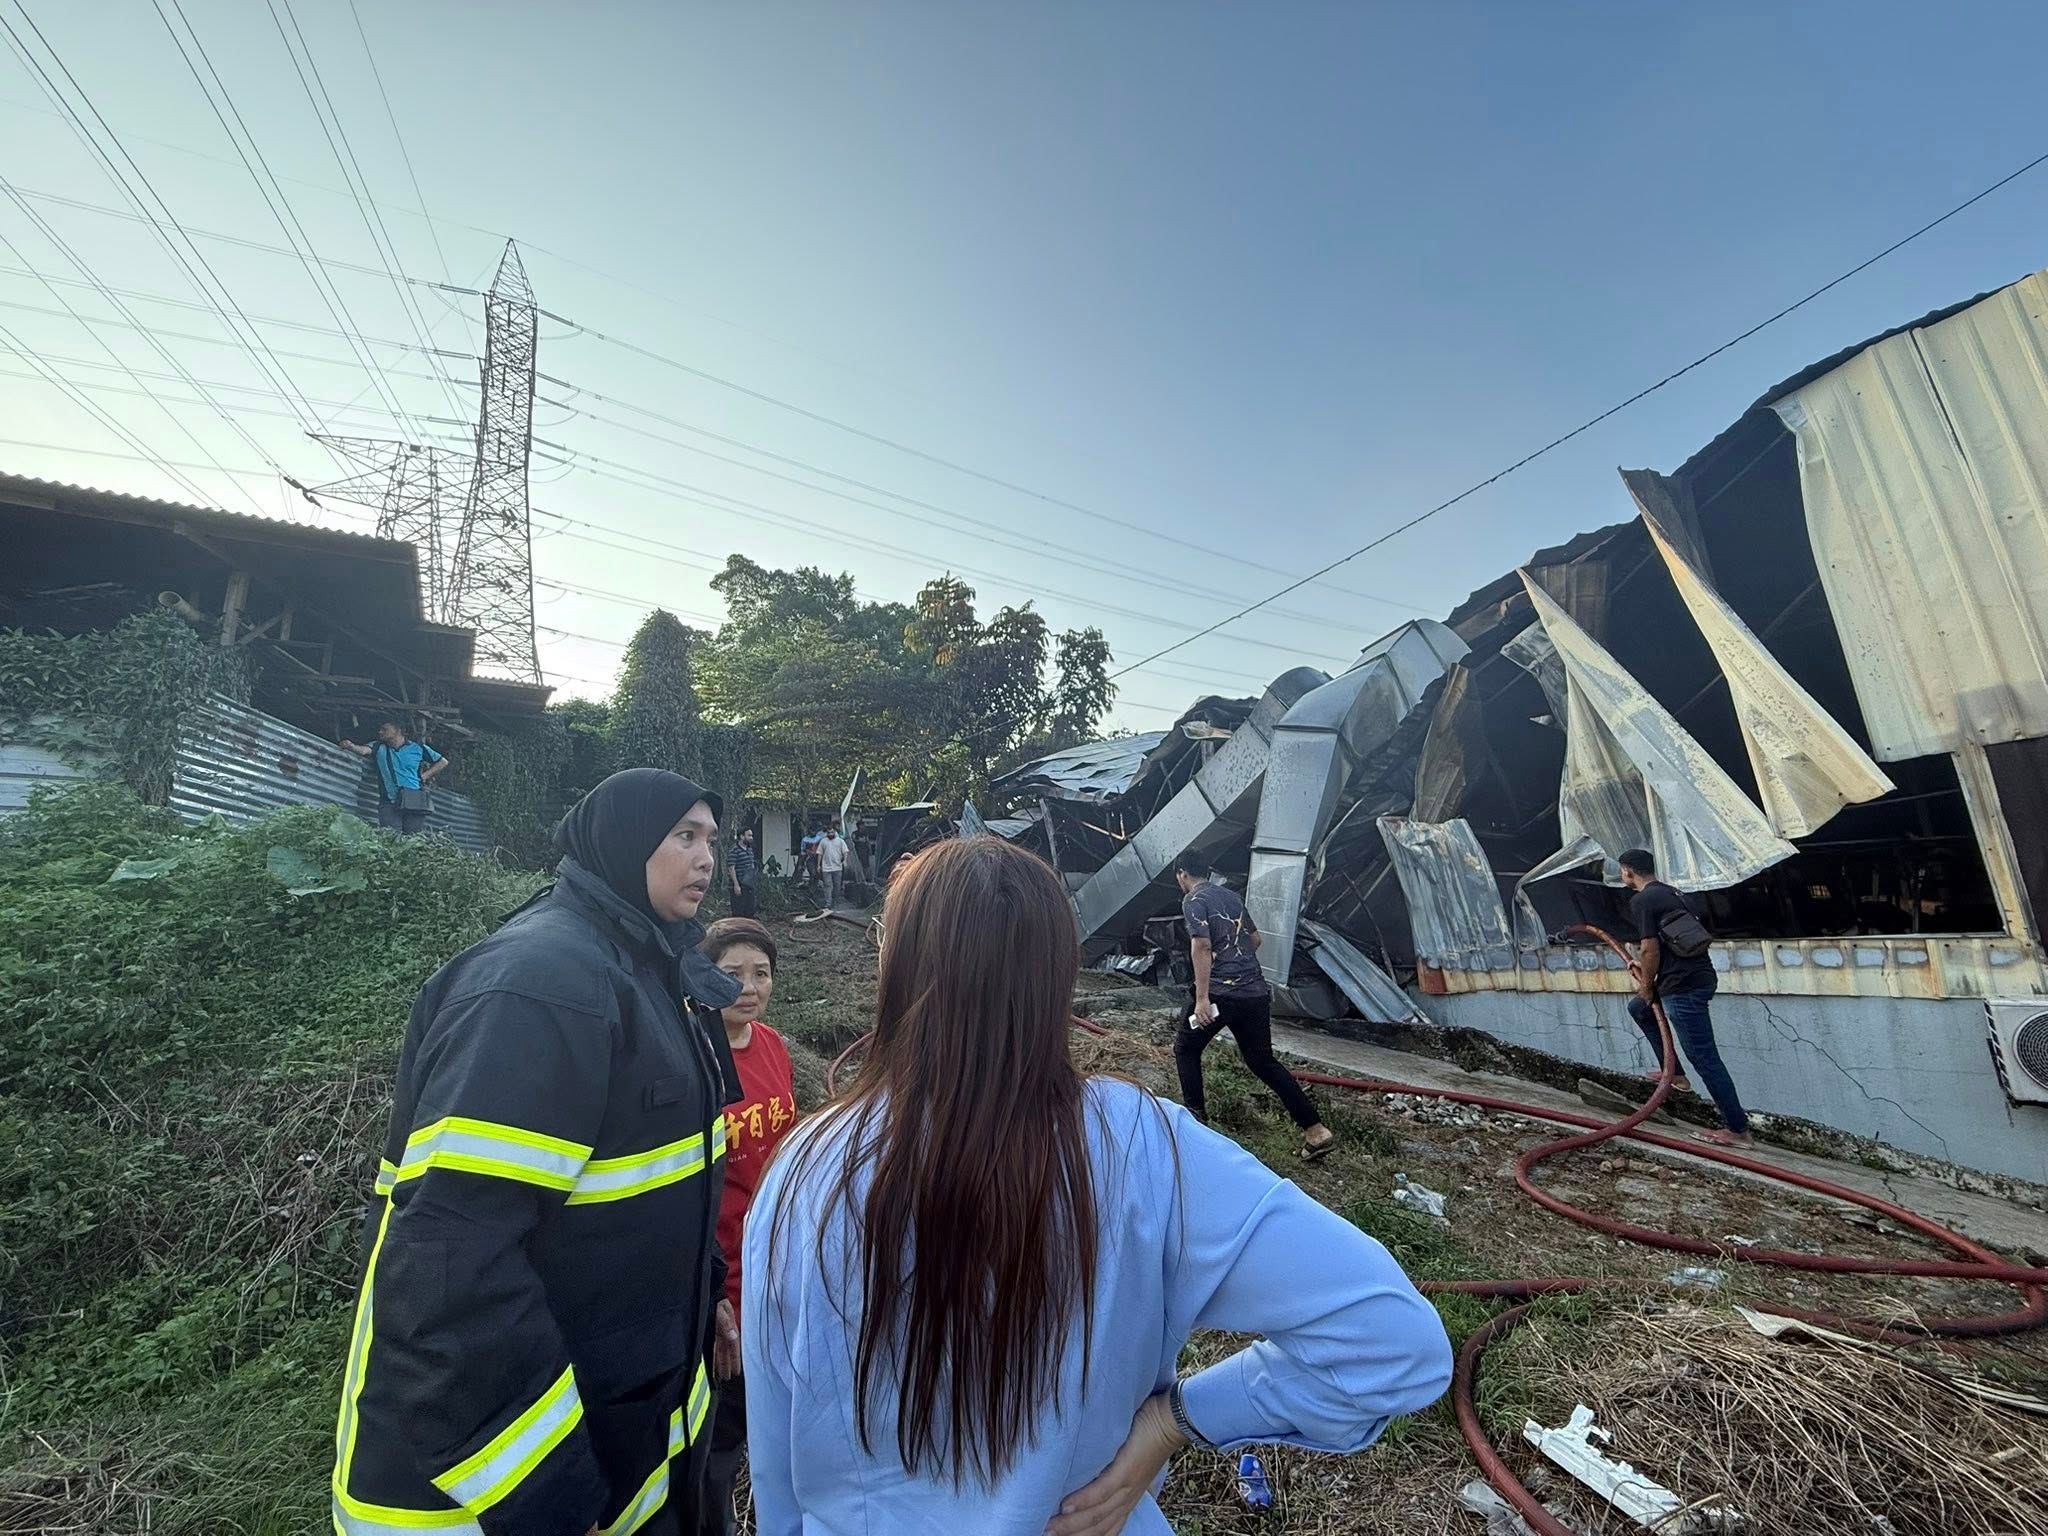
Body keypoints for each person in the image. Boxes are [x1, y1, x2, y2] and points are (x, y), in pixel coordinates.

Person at [742, 838, 1451, 1536]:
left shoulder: (804, 1168)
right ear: (1056, 973)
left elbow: (775, 1457)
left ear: (895, 966)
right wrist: (1173, 1421)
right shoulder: (1143, 1147)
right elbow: (1394, 1341)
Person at [331, 769, 743, 1536]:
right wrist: (551, 1502)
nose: (705, 860)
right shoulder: (541, 987)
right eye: (684, 836)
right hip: (488, 1503)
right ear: (623, 840)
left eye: (711, 840)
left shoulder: (657, 972)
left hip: (624, 1447)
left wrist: (706, 1292)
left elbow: (661, 1191)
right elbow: (452, 1272)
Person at [696, 918, 799, 1536]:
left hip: (772, 1266)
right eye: (731, 974)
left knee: (767, 1415)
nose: (749, 986)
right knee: (718, 1432)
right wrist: (714, 1298)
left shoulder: (773, 1047)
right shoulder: (693, 1057)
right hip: (719, 1270)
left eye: (761, 973)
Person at [1171, 855, 1335, 1159]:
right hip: (1255, 994)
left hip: (1221, 994)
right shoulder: (1231, 898)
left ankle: (1196, 1127)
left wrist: (1202, 998)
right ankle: (1315, 1130)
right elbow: (1255, 940)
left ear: (1182, 874)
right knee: (1263, 1062)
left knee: (1186, 1049)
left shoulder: (1194, 899)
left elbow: (1202, 945)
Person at [1620, 848, 1751, 1147]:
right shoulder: (1675, 893)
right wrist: (1646, 971)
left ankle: (1738, 1129)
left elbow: (1650, 948)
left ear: (1627, 871)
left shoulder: (1642, 900)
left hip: (1683, 987)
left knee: (1705, 1058)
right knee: (1639, 1009)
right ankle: (1675, 1075)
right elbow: (1676, 941)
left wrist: (1647, 984)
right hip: (1698, 976)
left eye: (1622, 871)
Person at [340, 718, 447, 836]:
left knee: (412, 840)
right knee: (391, 838)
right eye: (380, 730)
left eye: (385, 729)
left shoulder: (418, 748)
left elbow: (442, 761)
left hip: (414, 800)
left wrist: (425, 775)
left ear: (398, 731)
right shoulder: (378, 747)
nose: (380, 732)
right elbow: (363, 751)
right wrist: (350, 746)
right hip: (389, 801)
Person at [816, 821, 849, 910]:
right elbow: (819, 853)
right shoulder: (823, 842)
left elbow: (845, 851)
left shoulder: (840, 841)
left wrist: (845, 861)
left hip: (837, 867)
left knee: (837, 885)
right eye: (829, 832)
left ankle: (836, 901)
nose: (830, 834)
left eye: (832, 832)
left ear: (835, 832)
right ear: (827, 833)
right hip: (826, 868)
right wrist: (818, 865)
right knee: (827, 885)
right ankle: (828, 903)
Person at [728, 828, 760, 919]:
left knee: (749, 911)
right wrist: (736, 885)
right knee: (739, 912)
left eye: (751, 835)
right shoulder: (734, 850)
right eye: (749, 835)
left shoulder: (750, 850)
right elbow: (731, 868)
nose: (751, 838)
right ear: (742, 836)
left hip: (749, 885)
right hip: (739, 884)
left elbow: (751, 865)